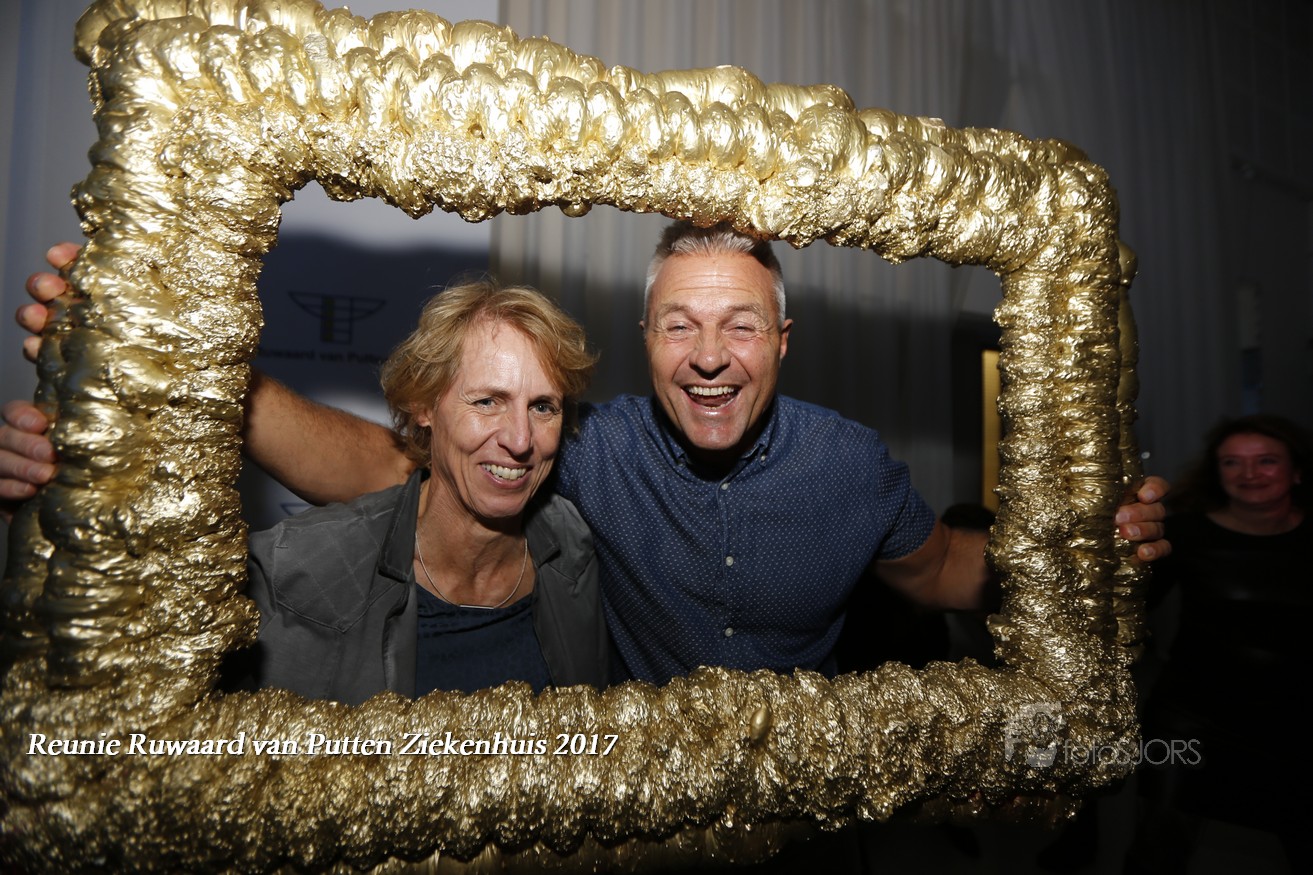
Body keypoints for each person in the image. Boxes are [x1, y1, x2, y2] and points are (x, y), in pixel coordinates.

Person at [2, 229, 1169, 688]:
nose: (707, 355)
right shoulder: (587, 444)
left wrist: (1081, 541)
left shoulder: (851, 463)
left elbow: (947, 570)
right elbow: (388, 467)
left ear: (783, 339)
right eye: (679, 324)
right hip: (625, 811)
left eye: (740, 325)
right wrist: (172, 369)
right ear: (647, 334)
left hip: (808, 821)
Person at [231, 278, 607, 703]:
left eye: (542, 407)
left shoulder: (575, 551)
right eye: (487, 402)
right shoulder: (299, 574)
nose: (520, 440)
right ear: (424, 406)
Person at [1126, 414, 1310, 873]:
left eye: (1266, 461)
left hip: (1295, 719)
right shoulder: (1182, 534)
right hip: (1192, 717)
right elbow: (1129, 612)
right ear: (1216, 472)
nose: (1249, 473)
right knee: (1159, 846)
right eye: (1232, 462)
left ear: (1297, 471)